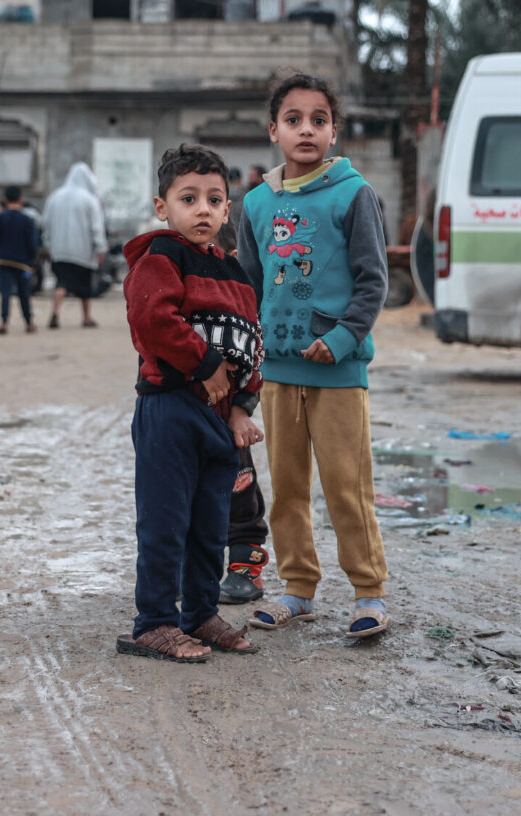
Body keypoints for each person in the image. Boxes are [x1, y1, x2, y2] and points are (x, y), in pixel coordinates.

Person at [237, 72, 391, 639]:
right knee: (287, 490)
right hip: (277, 372)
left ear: (334, 132)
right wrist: (245, 356)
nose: (307, 129)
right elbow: (248, 286)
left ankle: (369, 592)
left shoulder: (355, 194)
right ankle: (298, 590)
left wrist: (344, 339)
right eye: (294, 119)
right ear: (273, 130)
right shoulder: (254, 203)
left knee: (347, 487)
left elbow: (373, 282)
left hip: (339, 374)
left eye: (319, 120)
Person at [117, 143, 264, 663]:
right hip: (170, 409)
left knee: (209, 523)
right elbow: (151, 320)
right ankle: (153, 622)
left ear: (228, 209)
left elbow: (253, 343)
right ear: (164, 207)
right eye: (188, 198)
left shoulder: (237, 275)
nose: (203, 209)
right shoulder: (159, 257)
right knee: (165, 521)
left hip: (221, 422)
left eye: (214, 199)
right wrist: (204, 363)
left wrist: (245, 403)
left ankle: (199, 613)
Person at [213, 219, 271, 606]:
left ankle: (244, 566)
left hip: (229, 418)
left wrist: (241, 410)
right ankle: (189, 567)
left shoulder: (244, 308)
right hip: (183, 415)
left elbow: (255, 363)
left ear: (233, 258)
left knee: (239, 489)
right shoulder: (175, 303)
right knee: (181, 497)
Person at [42, 162, 107, 329]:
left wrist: (48, 244)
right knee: (85, 285)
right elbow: (96, 227)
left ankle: (56, 311)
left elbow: (46, 224)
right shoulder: (90, 200)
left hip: (59, 251)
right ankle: (86, 317)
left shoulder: (54, 197)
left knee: (62, 282)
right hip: (83, 252)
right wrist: (100, 248)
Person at [0, 186, 40, 334]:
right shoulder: (27, 220)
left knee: (5, 293)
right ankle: (28, 322)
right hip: (23, 263)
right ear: (21, 200)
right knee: (24, 293)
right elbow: (32, 243)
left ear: (5, 200)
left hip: (3, 261)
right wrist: (32, 259)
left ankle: (4, 322)